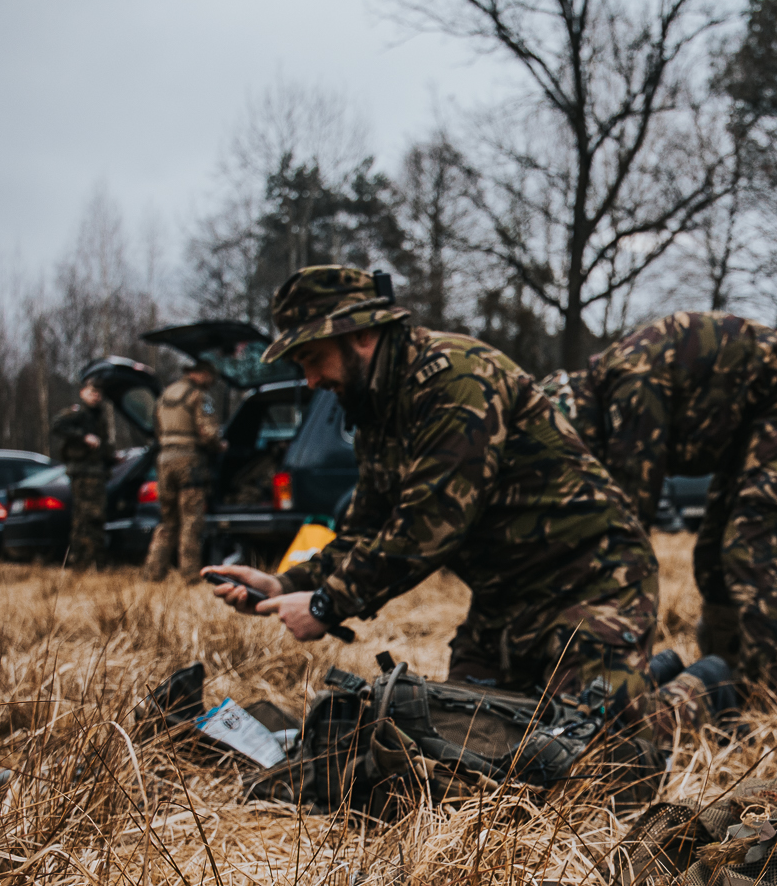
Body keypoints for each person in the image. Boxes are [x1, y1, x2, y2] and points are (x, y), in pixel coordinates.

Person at [202, 266, 716, 743]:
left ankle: (703, 690)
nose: (311, 380)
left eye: (313, 357)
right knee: (465, 745)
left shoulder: (457, 380)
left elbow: (429, 526)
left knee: (588, 762)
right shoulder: (377, 412)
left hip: (593, 585)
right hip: (505, 607)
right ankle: (632, 679)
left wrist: (325, 604)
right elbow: (367, 530)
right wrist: (289, 584)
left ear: (361, 335)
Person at [551, 311, 777, 704]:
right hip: (742, 421)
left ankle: (770, 701)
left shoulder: (632, 388)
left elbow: (627, 533)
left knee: (751, 548)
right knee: (712, 556)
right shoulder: (614, 389)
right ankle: (725, 684)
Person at [144, 360, 224, 583]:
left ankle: (152, 574)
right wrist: (219, 446)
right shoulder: (198, 396)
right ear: (201, 374)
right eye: (210, 376)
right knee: (191, 520)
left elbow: (157, 429)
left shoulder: (166, 395)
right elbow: (208, 433)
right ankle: (190, 576)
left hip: (164, 460)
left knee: (168, 520)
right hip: (188, 461)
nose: (211, 381)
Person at [51, 382, 115, 571]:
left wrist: (110, 457)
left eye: (99, 393)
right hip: (83, 474)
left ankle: (93, 561)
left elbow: (101, 446)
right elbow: (57, 425)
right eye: (93, 392)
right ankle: (82, 562)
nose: (96, 396)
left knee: (94, 518)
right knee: (86, 517)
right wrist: (83, 436)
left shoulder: (99, 416)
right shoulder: (78, 413)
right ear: (82, 393)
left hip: (96, 473)